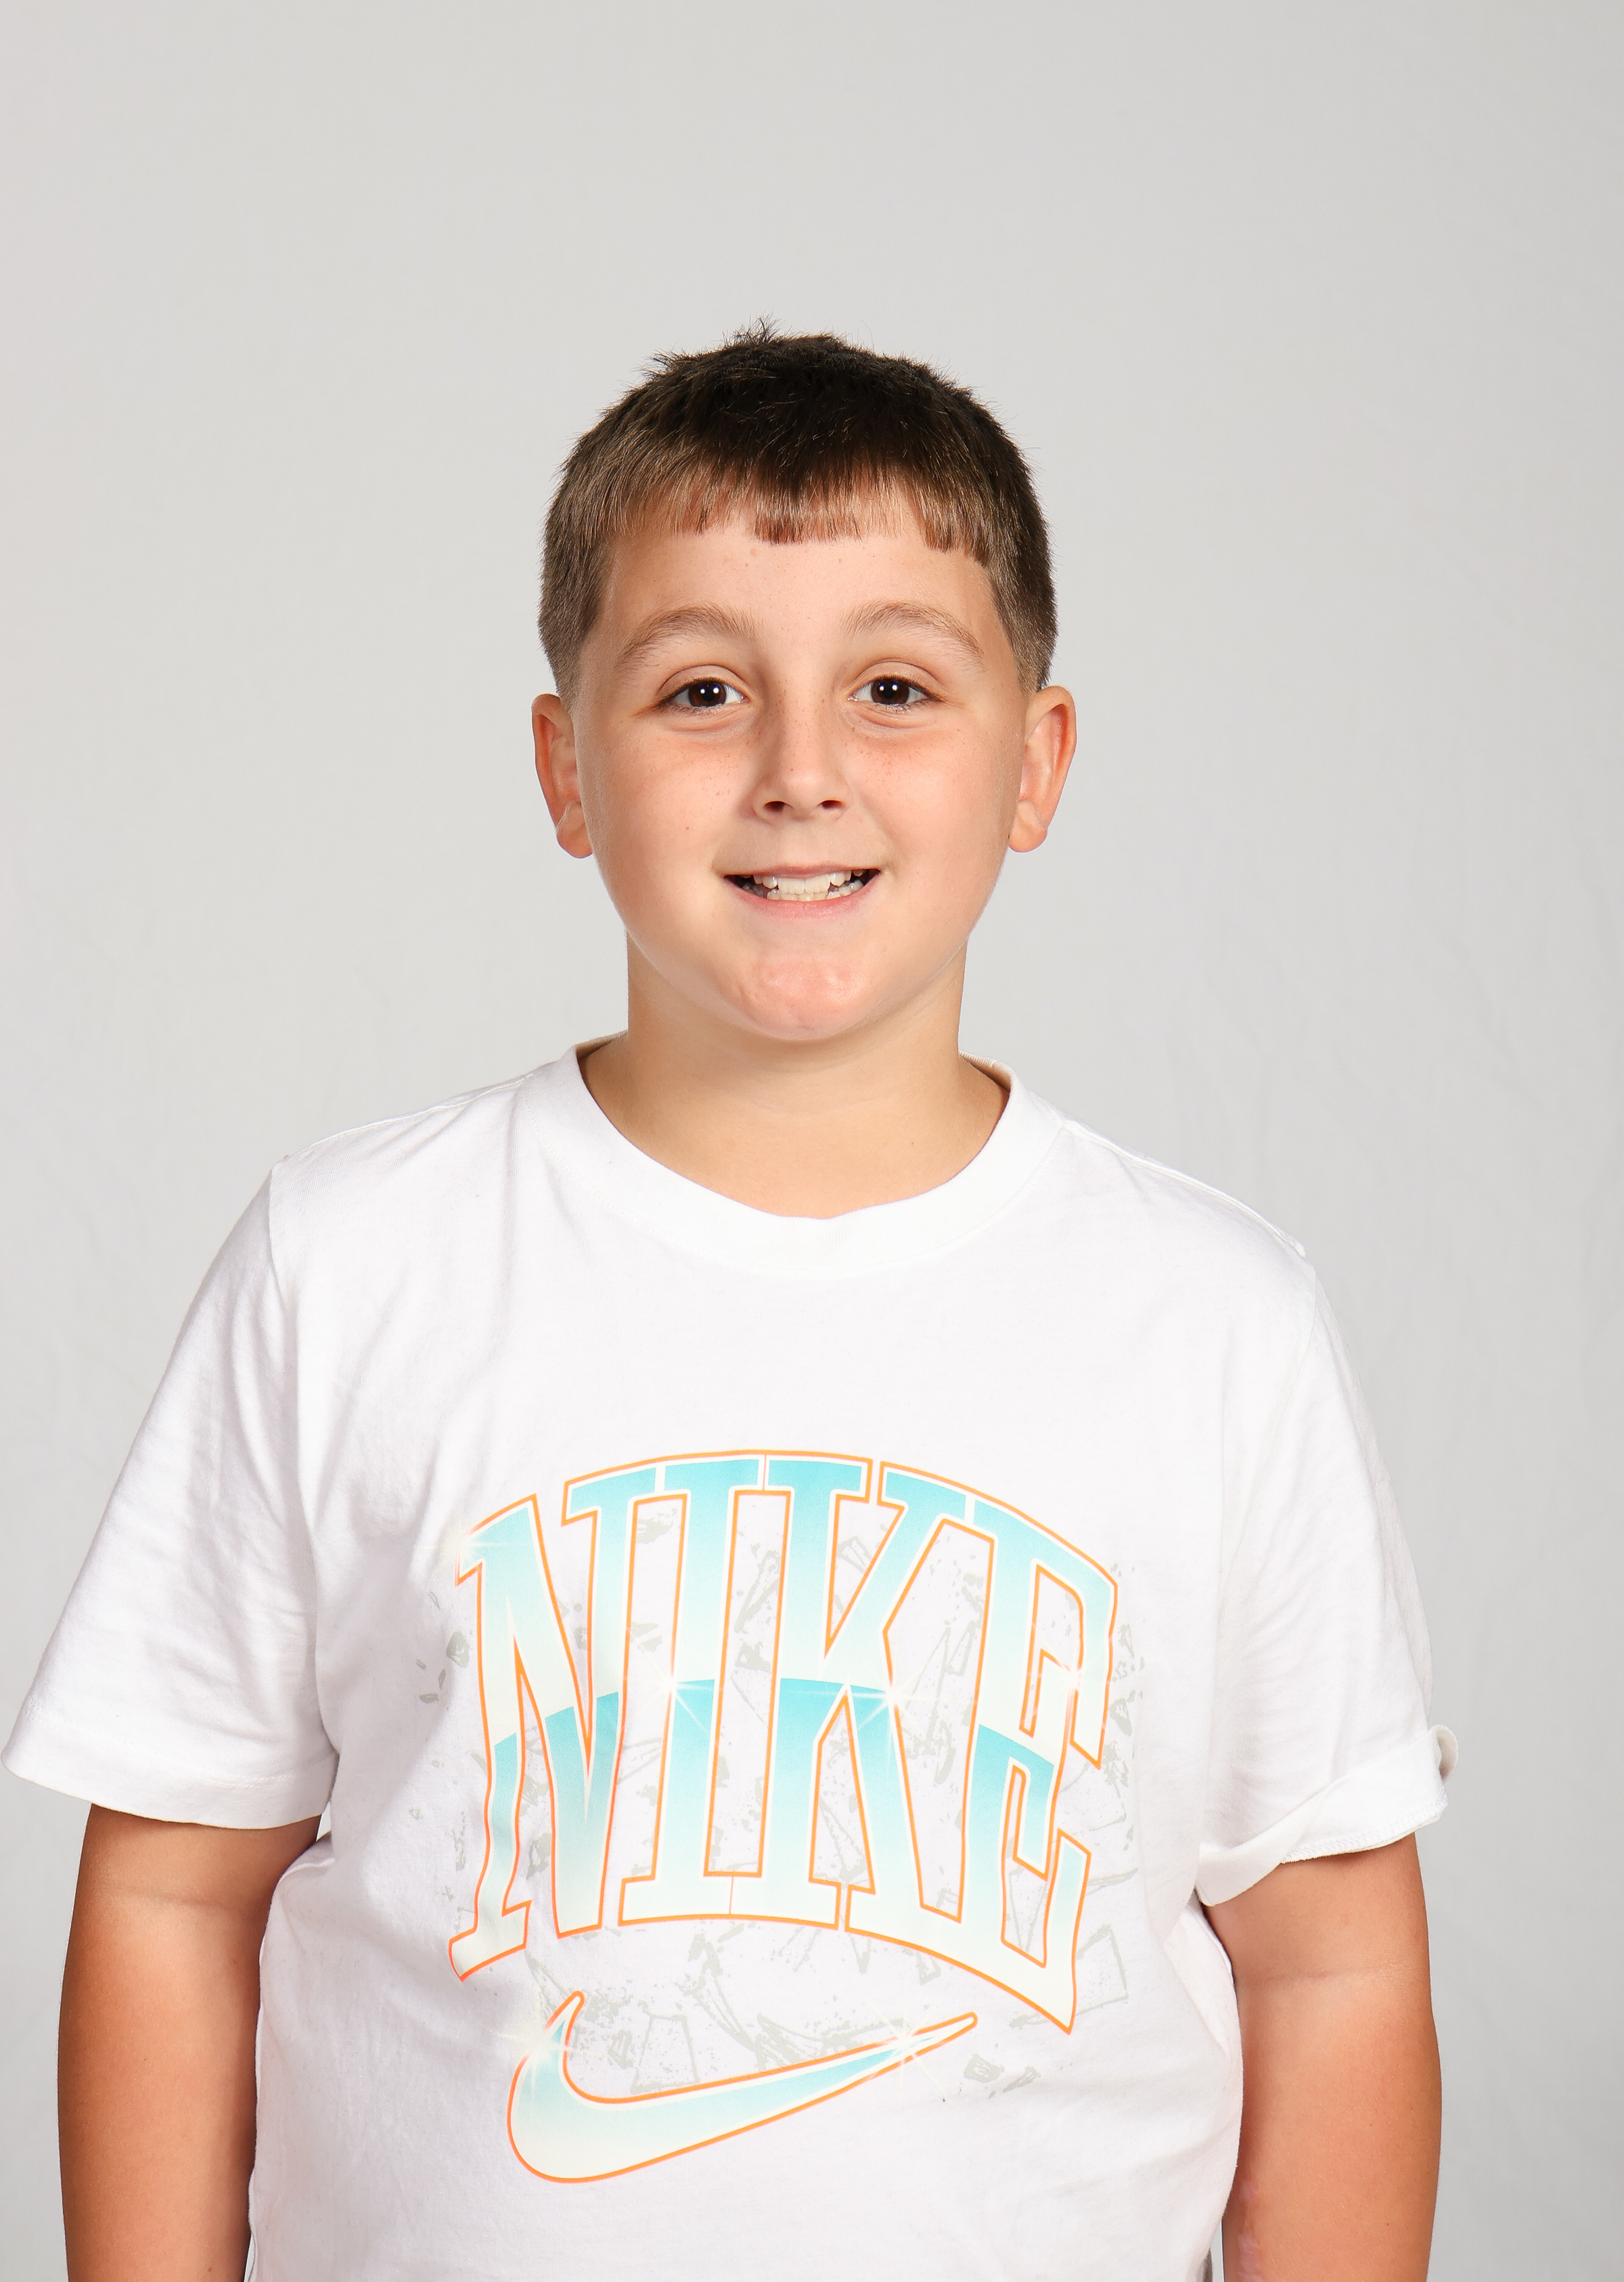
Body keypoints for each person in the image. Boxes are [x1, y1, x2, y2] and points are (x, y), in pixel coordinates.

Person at [5, 328, 1453, 2282]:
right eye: (702, 689)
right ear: (565, 767)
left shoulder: (1211, 1321)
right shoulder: (349, 1265)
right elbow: (176, 1896)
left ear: (1036, 763)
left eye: (894, 688)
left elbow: (1332, 1961)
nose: (799, 771)